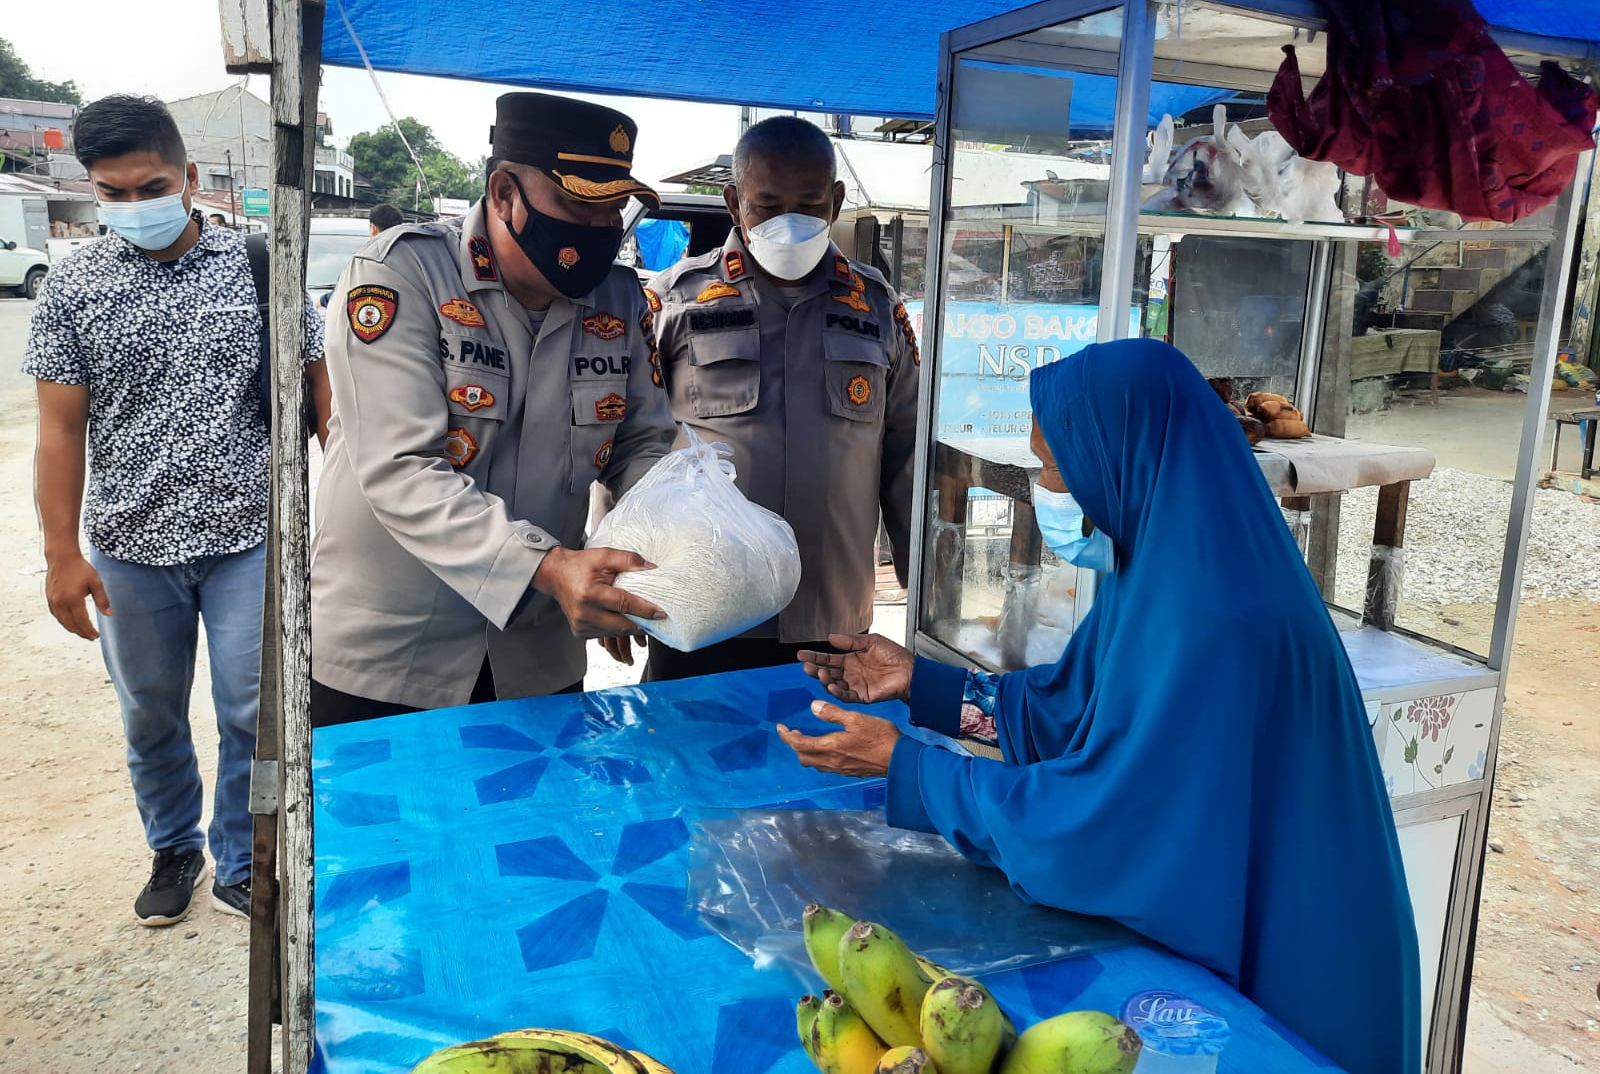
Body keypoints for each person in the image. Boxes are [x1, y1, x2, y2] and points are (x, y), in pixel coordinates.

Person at [778, 339, 1421, 1074]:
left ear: (1122, 457)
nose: (1048, 488)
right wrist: (919, 685)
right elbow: (1070, 707)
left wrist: (914, 771)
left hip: (1295, 956)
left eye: (1053, 467)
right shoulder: (1162, 563)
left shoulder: (1216, 616)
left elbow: (1109, 823)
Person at [24, 94, 332, 927]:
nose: (135, 206)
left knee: (249, 710)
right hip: (127, 546)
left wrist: (332, 516)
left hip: (246, 539)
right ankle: (173, 848)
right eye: (113, 192)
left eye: (151, 185)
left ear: (190, 177)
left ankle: (242, 856)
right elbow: (59, 431)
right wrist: (61, 556)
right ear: (92, 190)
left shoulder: (262, 268)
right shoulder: (74, 286)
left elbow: (318, 390)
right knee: (151, 711)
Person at [309, 92, 676, 726]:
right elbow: (400, 468)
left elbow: (643, 445)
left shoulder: (619, 299)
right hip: (391, 657)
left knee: (535, 823)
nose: (597, 233)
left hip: (537, 655)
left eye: (612, 212)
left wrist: (664, 542)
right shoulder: (404, 274)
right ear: (504, 192)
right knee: (392, 827)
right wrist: (550, 565)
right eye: (575, 206)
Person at [635, 117, 918, 680]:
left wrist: (928, 587)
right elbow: (633, 446)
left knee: (826, 761)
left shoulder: (878, 309)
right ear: (734, 201)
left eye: (809, 204)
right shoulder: (674, 303)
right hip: (703, 607)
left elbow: (908, 457)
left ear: (835, 201)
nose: (789, 222)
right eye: (767, 205)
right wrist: (624, 582)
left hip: (830, 617)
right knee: (690, 762)